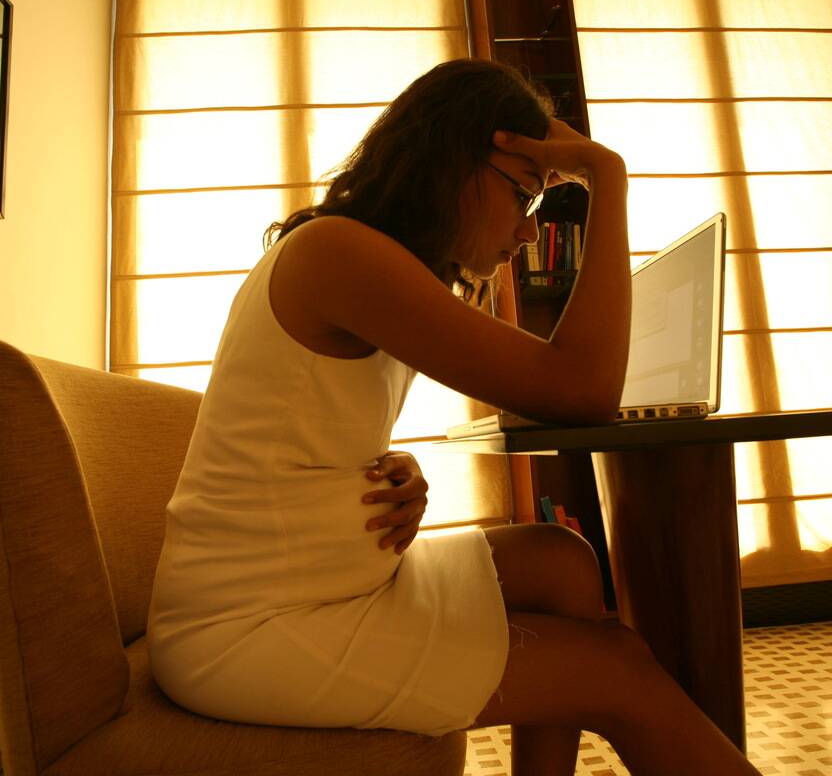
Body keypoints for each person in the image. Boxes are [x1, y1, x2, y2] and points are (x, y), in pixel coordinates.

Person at [147, 58, 759, 776]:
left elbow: (298, 422)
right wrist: (606, 176)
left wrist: (385, 467)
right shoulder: (336, 254)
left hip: (320, 582)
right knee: (617, 669)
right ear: (454, 164)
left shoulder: (357, 254)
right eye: (524, 198)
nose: (528, 234)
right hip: (249, 629)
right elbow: (584, 387)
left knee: (563, 562)